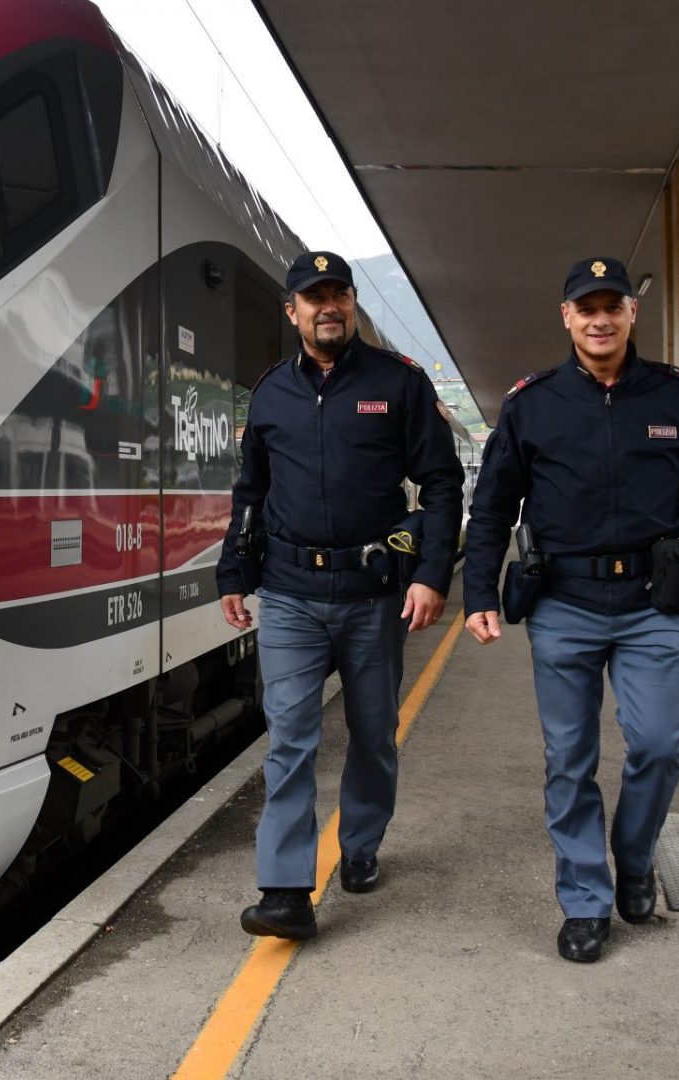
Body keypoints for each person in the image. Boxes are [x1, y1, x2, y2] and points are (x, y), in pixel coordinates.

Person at [463, 256, 679, 963]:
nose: (599, 318)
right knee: (568, 760)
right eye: (585, 307)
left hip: (649, 604)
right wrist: (478, 590)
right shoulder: (530, 403)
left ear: (632, 313)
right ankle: (584, 898)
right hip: (562, 603)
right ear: (565, 317)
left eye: (613, 306)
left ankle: (633, 859)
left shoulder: (674, 398)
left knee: (661, 746)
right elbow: (489, 509)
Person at [216, 250, 464, 940]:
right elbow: (250, 495)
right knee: (289, 737)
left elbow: (443, 484)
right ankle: (286, 891)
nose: (327, 306)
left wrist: (430, 574)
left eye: (339, 295)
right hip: (291, 592)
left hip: (370, 593)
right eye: (312, 297)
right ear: (291, 310)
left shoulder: (399, 383)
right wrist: (233, 572)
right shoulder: (269, 393)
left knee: (373, 736)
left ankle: (359, 844)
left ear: (352, 305)